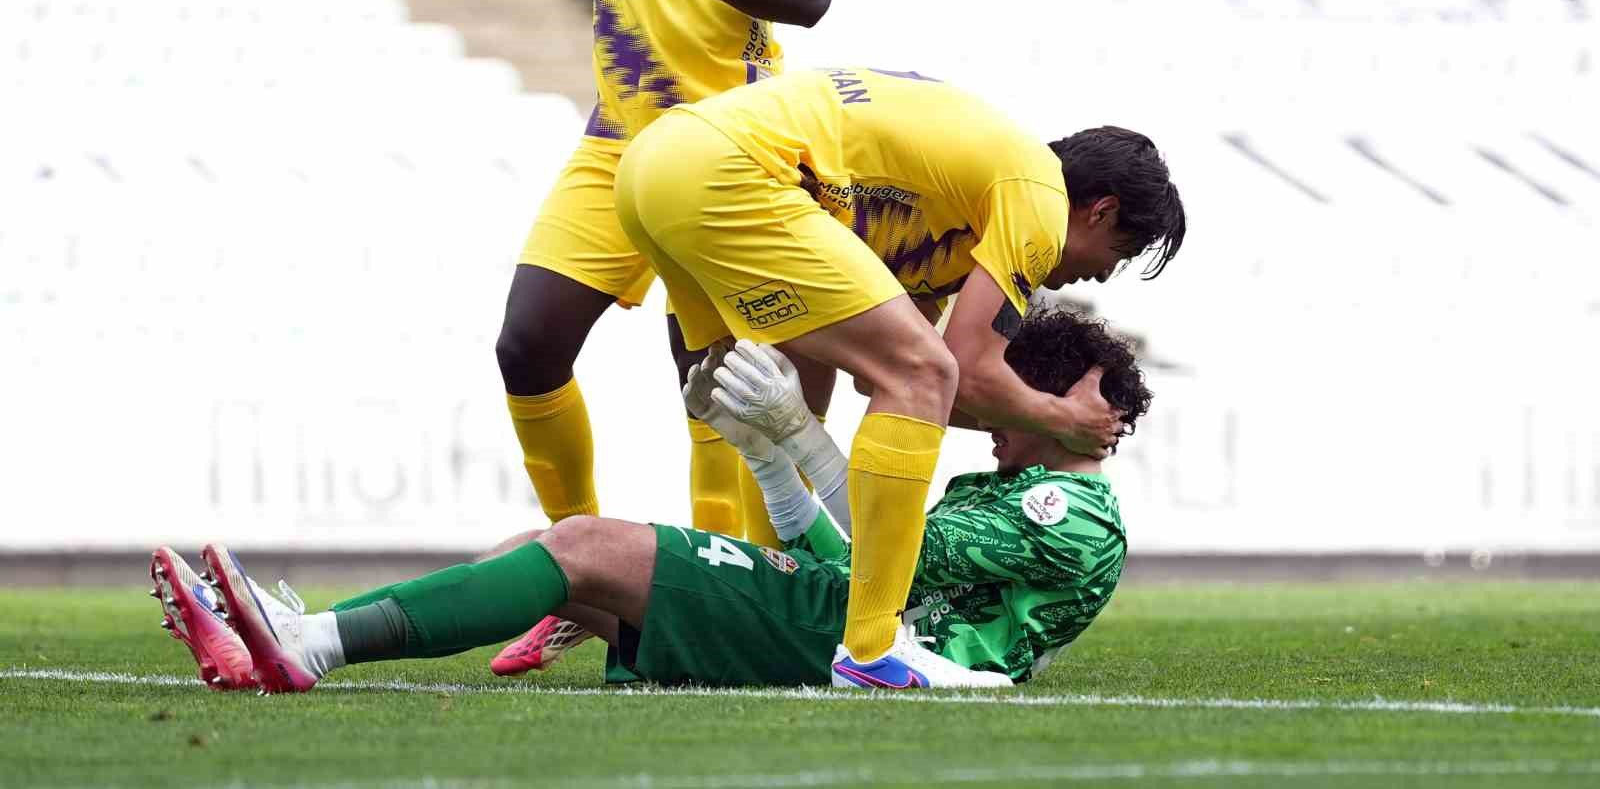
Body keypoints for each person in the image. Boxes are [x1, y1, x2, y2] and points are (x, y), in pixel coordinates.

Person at [471, 0, 844, 669]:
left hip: (726, 151)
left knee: (714, 394)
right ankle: (572, 570)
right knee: (527, 344)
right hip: (614, 141)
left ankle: (706, 613)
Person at [148, 309, 1147, 692]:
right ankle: (298, 631)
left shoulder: (1073, 512)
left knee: (584, 547)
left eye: (1014, 396)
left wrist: (803, 441)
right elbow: (870, 566)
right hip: (846, 624)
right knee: (543, 546)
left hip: (873, 659)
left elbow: (904, 556)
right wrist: (768, 464)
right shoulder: (1017, 488)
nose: (987, 410)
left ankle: (304, 646)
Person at [606, 64, 1183, 687]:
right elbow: (959, 374)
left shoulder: (959, 215)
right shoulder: (1038, 202)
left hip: (652, 164)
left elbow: (887, 382)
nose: (1101, 277)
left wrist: (1014, 412)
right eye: (1119, 256)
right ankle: (871, 647)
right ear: (1101, 210)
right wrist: (1066, 419)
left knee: (786, 390)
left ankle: (736, 589)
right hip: (730, 170)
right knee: (915, 372)